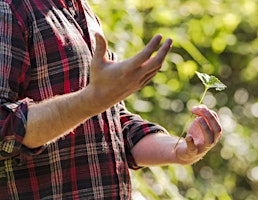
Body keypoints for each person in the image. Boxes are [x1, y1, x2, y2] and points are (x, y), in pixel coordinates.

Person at [0, 0, 222, 199]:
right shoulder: (9, 9)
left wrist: (179, 150)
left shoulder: (81, 10)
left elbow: (111, 125)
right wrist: (90, 101)